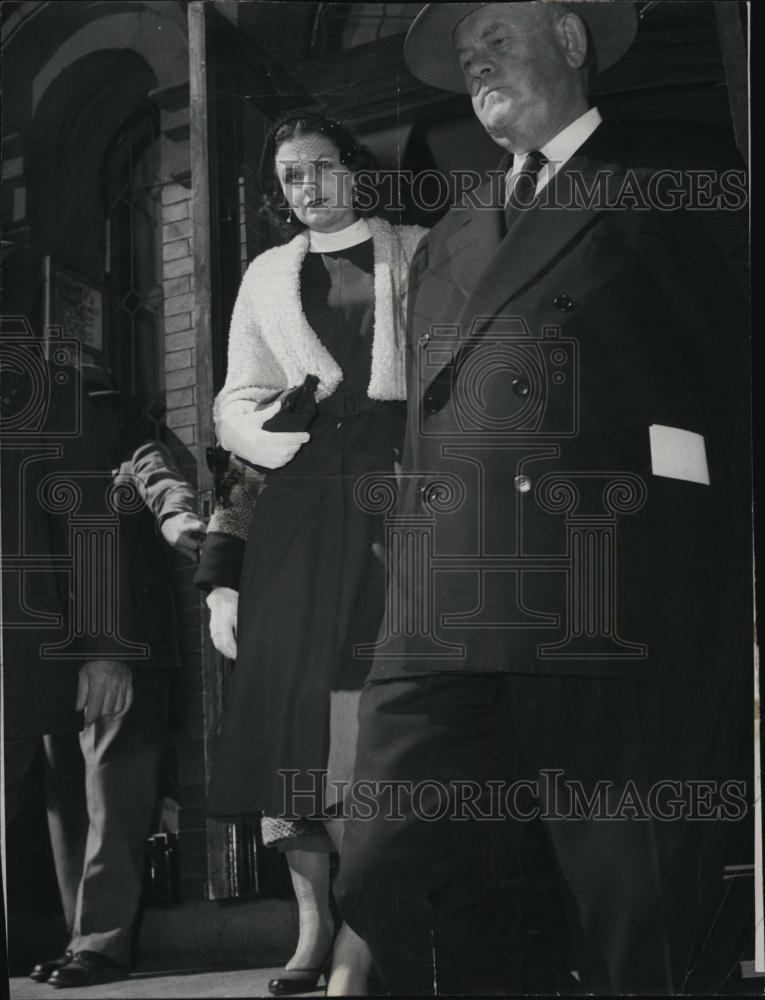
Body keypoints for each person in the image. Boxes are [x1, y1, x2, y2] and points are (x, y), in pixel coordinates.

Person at [334, 3, 750, 996]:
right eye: (466, 56)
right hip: (446, 608)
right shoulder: (448, 239)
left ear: (570, 42)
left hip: (614, 598)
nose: (477, 66)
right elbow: (422, 436)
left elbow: (738, 391)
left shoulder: (669, 190)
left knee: (637, 915)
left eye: (497, 42)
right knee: (389, 864)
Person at [194, 110, 426, 996]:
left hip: (394, 503)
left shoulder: (415, 251)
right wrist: (222, 577)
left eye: (321, 169)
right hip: (294, 518)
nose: (306, 188)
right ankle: (312, 922)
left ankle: (364, 934)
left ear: (355, 171)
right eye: (290, 176)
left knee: (372, 723)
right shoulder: (265, 276)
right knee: (295, 732)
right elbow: (242, 416)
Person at [25, 365, 207, 989]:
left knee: (114, 793)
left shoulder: (121, 440)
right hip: (55, 646)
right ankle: (83, 936)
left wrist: (177, 516)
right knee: (65, 799)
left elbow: (158, 477)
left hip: (125, 640)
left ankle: (100, 943)